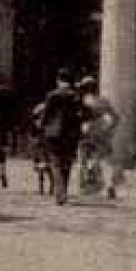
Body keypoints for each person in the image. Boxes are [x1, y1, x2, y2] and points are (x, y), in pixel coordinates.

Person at [39, 70, 85, 206]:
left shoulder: (52, 95)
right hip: (71, 134)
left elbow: (47, 114)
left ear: (58, 80)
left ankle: (60, 193)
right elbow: (81, 114)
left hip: (54, 133)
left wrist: (41, 126)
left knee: (56, 163)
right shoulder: (76, 96)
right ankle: (63, 190)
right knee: (67, 163)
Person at [76, 76, 121, 200]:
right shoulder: (103, 101)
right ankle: (109, 185)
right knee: (105, 160)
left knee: (82, 159)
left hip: (85, 132)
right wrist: (108, 130)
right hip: (101, 132)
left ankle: (82, 185)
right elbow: (116, 118)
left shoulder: (81, 101)